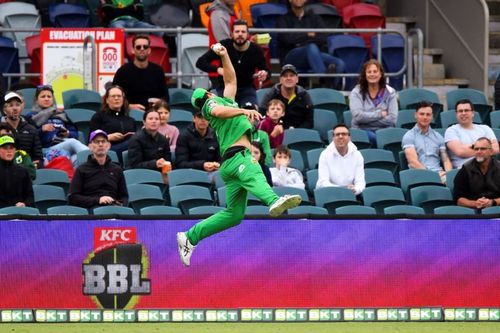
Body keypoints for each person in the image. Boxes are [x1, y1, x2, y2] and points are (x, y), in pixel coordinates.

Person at [177, 44, 302, 267]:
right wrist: (244, 110)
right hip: (237, 158)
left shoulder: (226, 101)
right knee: (253, 168)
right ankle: (273, 200)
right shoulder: (210, 105)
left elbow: (231, 81)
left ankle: (190, 237)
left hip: (230, 164)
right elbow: (217, 111)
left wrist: (224, 56)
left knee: (234, 215)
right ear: (206, 95)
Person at [196, 19, 269, 106]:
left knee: (251, 112)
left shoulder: (255, 49)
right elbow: (200, 62)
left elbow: (266, 70)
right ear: (231, 34)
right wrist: (218, 70)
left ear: (248, 34)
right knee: (223, 111)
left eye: (243, 31)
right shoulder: (224, 46)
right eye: (237, 31)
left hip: (246, 89)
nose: (240, 34)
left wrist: (264, 73)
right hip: (224, 87)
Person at [275, 0, 345, 90]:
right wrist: (307, 34)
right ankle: (324, 79)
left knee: (339, 63)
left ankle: (329, 88)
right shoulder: (283, 19)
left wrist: (299, 38)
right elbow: (287, 39)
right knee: (311, 47)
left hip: (313, 55)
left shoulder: (314, 18)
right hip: (291, 56)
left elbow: (323, 37)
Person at [26, 85, 88, 166]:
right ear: (37, 100)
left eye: (49, 96)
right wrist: (42, 130)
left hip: (64, 144)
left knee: (76, 158)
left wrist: (68, 133)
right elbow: (29, 138)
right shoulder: (31, 116)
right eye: (43, 96)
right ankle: (93, 157)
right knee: (73, 143)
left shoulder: (60, 114)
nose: (46, 99)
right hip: (45, 149)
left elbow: (75, 133)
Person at [68, 130, 128, 209]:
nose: (100, 144)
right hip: (91, 211)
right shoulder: (81, 169)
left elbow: (124, 196)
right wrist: (98, 200)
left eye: (103, 141)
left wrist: (119, 205)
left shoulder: (117, 169)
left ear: (109, 145)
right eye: (97, 142)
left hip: (114, 210)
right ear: (90, 146)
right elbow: (73, 198)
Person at [112, 34, 169, 110]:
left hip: (153, 113)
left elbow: (165, 97)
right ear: (132, 50)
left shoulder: (158, 70)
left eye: (145, 47)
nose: (142, 49)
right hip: (129, 114)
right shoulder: (123, 71)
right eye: (138, 47)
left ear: (149, 50)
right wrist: (129, 106)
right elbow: (113, 96)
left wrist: (160, 102)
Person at [349, 59, 398, 146]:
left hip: (385, 130)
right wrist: (380, 114)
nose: (372, 74)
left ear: (380, 74)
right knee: (376, 138)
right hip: (362, 131)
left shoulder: (390, 92)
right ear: (365, 75)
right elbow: (358, 117)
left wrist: (366, 120)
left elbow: (393, 119)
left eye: (375, 71)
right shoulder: (356, 92)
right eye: (369, 72)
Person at [401, 100, 452, 183]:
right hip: (419, 176)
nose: (425, 117)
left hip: (440, 175)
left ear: (432, 117)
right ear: (416, 115)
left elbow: (446, 160)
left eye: (428, 114)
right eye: (422, 114)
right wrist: (432, 175)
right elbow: (413, 162)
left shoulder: (438, 136)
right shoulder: (409, 136)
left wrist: (449, 175)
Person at [445, 99, 499, 169]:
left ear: (473, 113)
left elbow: (496, 148)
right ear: (456, 114)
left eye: (466, 110)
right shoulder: (451, 131)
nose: (463, 113)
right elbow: (460, 151)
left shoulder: (485, 128)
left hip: (489, 168)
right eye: (460, 111)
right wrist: (486, 148)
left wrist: (470, 147)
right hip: (465, 170)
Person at [89, 85, 137, 161]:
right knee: (135, 140)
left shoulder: (130, 120)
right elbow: (91, 139)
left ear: (123, 99)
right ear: (107, 100)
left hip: (130, 151)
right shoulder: (99, 116)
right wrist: (108, 137)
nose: (116, 98)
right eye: (113, 96)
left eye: (119, 96)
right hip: (108, 150)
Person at [259, 64, 314, 129]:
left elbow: (309, 122)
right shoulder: (270, 94)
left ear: (297, 79)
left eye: (291, 75)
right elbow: (262, 117)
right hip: (274, 133)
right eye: (285, 76)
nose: (288, 78)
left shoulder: (304, 95)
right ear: (280, 80)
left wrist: (296, 131)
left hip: (299, 134)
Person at [316, 124, 365, 195]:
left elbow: (360, 182)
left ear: (349, 137)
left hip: (350, 194)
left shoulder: (357, 155)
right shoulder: (325, 155)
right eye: (337, 134)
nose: (340, 137)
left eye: (344, 134)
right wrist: (343, 189)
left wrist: (355, 190)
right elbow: (323, 182)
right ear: (333, 138)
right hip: (329, 193)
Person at [453, 137, 500, 210]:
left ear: (491, 151)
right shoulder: (465, 169)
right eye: (476, 149)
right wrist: (475, 203)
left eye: (483, 149)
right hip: (473, 211)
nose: (479, 151)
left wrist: (493, 202)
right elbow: (459, 199)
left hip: (497, 209)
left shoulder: (499, 167)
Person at [1, 91, 43, 166]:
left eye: (17, 105)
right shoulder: (1, 129)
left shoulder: (31, 130)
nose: (15, 108)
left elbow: (38, 157)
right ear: (4, 110)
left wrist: (35, 164)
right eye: (11, 105)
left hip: (27, 170)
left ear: (21, 107)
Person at [0, 135, 34, 208]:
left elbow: (30, 197)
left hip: (19, 214)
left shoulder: (23, 171)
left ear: (15, 150)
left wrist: (25, 204)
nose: (9, 151)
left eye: (11, 148)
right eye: (5, 148)